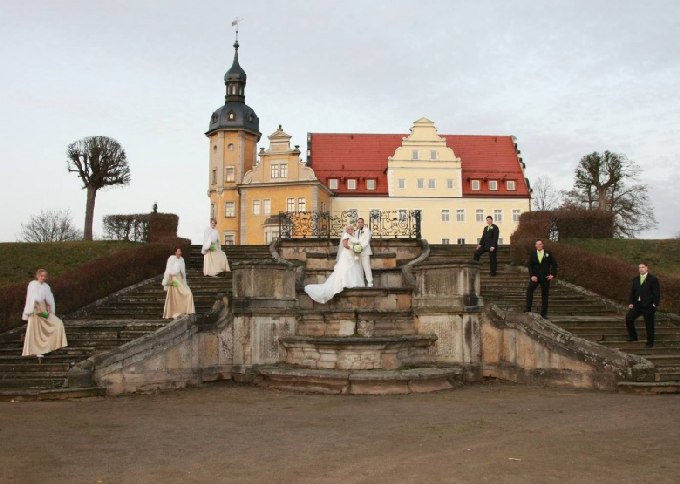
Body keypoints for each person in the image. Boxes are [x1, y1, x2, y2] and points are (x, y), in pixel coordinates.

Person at [304, 226, 365, 303]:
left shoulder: (353, 237)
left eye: (352, 229)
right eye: (349, 229)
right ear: (346, 230)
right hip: (347, 255)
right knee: (346, 268)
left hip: (353, 255)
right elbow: (345, 245)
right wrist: (354, 248)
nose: (351, 230)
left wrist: (358, 249)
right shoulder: (346, 235)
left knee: (354, 268)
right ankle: (345, 283)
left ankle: (353, 284)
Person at [21, 269, 68, 358]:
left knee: (57, 323)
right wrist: (36, 306)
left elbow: (47, 298)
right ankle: (36, 350)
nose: (44, 278)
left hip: (44, 310)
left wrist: (49, 306)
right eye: (42, 276)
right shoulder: (33, 284)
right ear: (38, 276)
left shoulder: (46, 286)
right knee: (36, 331)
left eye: (45, 276)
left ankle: (51, 346)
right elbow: (31, 297)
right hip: (35, 310)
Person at [625, 262, 661, 348]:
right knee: (629, 318)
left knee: (649, 324)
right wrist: (631, 302)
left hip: (648, 306)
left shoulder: (653, 279)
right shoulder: (636, 279)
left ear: (647, 268)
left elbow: (656, 293)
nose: (641, 269)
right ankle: (633, 337)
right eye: (639, 267)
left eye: (643, 267)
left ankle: (650, 342)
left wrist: (654, 304)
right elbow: (632, 292)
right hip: (637, 305)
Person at [525, 239, 558, 319]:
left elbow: (554, 264)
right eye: (537, 244)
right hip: (535, 277)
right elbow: (530, 266)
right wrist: (532, 276)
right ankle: (528, 309)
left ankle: (544, 313)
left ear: (542, 245)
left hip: (545, 277)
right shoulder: (533, 254)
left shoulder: (548, 254)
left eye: (540, 244)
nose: (539, 245)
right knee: (529, 290)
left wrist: (552, 274)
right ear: (535, 246)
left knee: (545, 295)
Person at [162, 247, 196, 319]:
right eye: (178, 252)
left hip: (180, 279)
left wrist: (183, 279)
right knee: (175, 298)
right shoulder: (171, 259)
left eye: (180, 252)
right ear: (175, 252)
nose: (179, 253)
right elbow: (168, 270)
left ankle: (185, 310)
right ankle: (174, 312)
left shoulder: (182, 259)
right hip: (174, 279)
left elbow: (182, 272)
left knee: (187, 293)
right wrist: (169, 279)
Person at [355, 217, 374, 287]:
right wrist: (356, 249)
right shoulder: (356, 232)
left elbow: (366, 241)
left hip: (365, 252)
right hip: (357, 253)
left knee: (366, 267)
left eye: (361, 222)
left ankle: (370, 282)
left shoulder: (367, 230)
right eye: (358, 222)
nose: (360, 223)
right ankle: (361, 282)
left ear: (363, 223)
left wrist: (360, 248)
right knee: (359, 268)